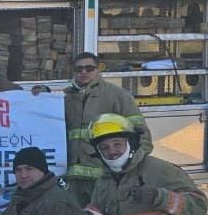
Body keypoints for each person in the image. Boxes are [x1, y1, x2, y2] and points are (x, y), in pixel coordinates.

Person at [64, 53, 153, 207]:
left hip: (105, 177)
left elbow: (140, 133)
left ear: (98, 70)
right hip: (74, 180)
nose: (84, 72)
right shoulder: (68, 99)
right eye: (79, 69)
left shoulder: (116, 95)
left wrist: (130, 166)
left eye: (89, 68)